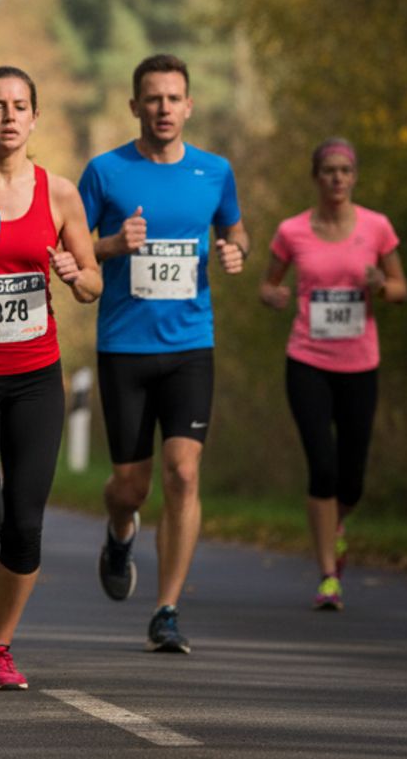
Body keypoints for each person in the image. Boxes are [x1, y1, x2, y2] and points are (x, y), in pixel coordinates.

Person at [0, 67, 102, 689]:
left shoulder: (59, 194)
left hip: (36, 375)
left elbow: (93, 284)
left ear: (35, 118)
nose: (9, 117)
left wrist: (73, 272)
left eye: (20, 106)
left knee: (26, 521)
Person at [79, 53, 249, 655]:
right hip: (124, 346)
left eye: (174, 98)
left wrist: (235, 252)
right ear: (134, 106)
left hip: (189, 346)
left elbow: (234, 230)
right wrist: (111, 244)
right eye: (153, 98)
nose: (164, 109)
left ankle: (167, 609)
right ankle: (120, 531)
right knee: (131, 485)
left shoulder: (214, 172)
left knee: (182, 473)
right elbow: (71, 253)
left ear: (189, 105)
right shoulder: (105, 172)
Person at [259, 137, 407, 610]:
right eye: (329, 170)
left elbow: (402, 289)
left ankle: (336, 525)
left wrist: (383, 285)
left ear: (355, 176)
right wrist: (273, 296)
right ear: (316, 177)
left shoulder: (377, 227)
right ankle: (328, 575)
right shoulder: (292, 231)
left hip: (360, 364)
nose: (338, 178)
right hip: (307, 361)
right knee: (321, 467)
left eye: (345, 170)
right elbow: (268, 283)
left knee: (352, 480)